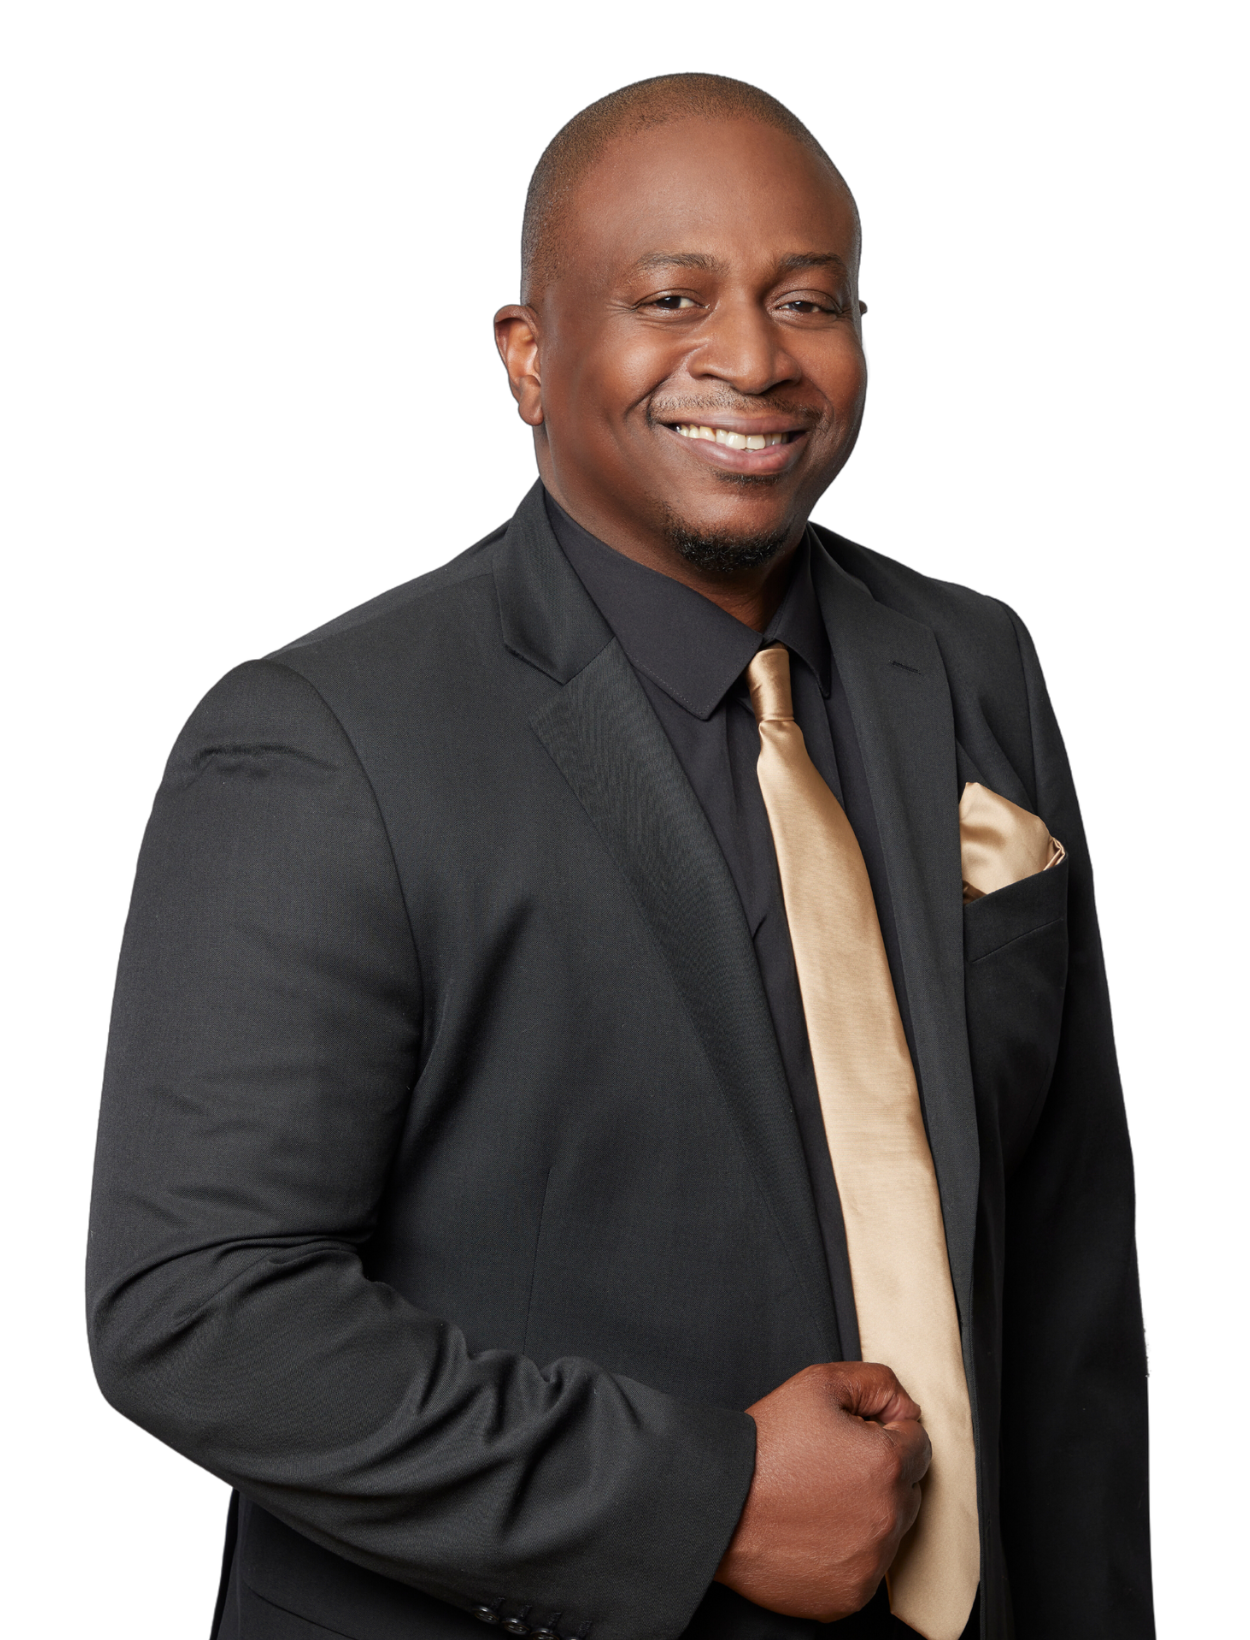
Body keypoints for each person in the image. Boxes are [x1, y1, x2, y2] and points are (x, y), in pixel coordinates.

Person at [88, 74, 1150, 1640]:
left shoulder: (970, 661)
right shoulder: (319, 740)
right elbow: (199, 1312)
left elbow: (1065, 1265)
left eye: (807, 299)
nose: (753, 357)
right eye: (672, 298)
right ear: (527, 357)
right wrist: (704, 1501)